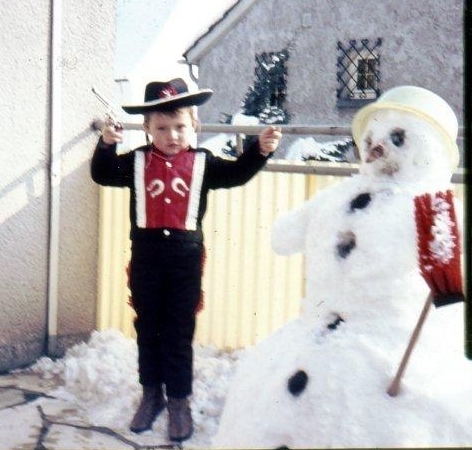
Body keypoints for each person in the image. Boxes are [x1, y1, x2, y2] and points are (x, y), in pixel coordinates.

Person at [90, 78, 282, 442]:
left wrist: (260, 149)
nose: (172, 135)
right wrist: (106, 144)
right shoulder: (135, 162)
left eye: (179, 126)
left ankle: (179, 401)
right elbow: (102, 173)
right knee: (148, 328)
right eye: (161, 128)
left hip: (185, 260)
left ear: (193, 124)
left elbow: (238, 173)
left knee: (178, 332)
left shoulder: (203, 163)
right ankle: (151, 395)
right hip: (145, 257)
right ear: (147, 128)